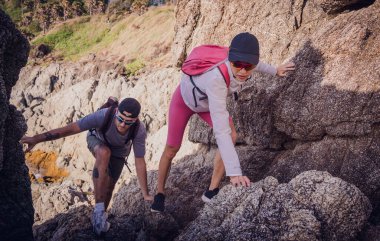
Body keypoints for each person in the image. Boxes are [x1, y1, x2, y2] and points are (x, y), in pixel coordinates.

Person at [150, 32, 295, 212]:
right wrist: (234, 172)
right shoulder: (216, 79)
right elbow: (220, 130)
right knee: (172, 148)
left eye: (248, 67)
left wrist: (275, 70)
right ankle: (159, 193)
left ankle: (211, 191)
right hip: (184, 101)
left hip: (205, 106)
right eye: (237, 65)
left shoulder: (242, 60)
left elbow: (255, 64)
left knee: (233, 135)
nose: (243, 71)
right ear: (230, 59)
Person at [21, 98, 152, 235]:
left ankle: (100, 218)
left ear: (135, 120)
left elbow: (139, 160)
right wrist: (37, 138)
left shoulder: (139, 129)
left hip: (119, 152)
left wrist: (145, 194)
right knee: (104, 152)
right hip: (98, 140)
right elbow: (69, 129)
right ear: (116, 112)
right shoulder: (103, 115)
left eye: (128, 122)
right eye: (120, 119)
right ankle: (99, 210)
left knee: (109, 186)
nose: (123, 124)